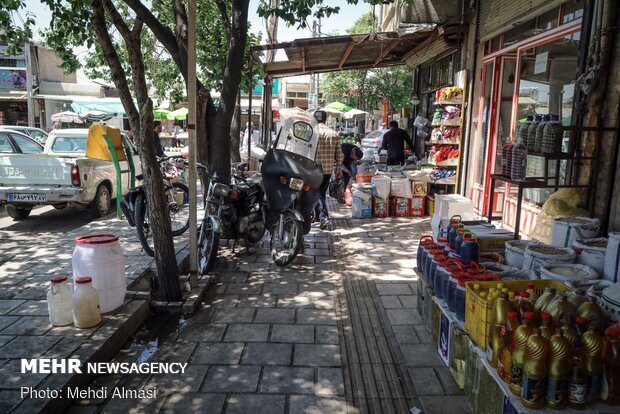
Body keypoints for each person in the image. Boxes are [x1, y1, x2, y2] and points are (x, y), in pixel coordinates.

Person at [314, 110, 342, 229]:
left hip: (312, 169)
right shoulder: (333, 133)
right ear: (325, 119)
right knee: (320, 193)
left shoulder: (312, 132)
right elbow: (339, 155)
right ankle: (317, 216)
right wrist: (339, 167)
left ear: (315, 119)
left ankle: (323, 217)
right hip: (327, 170)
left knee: (318, 194)